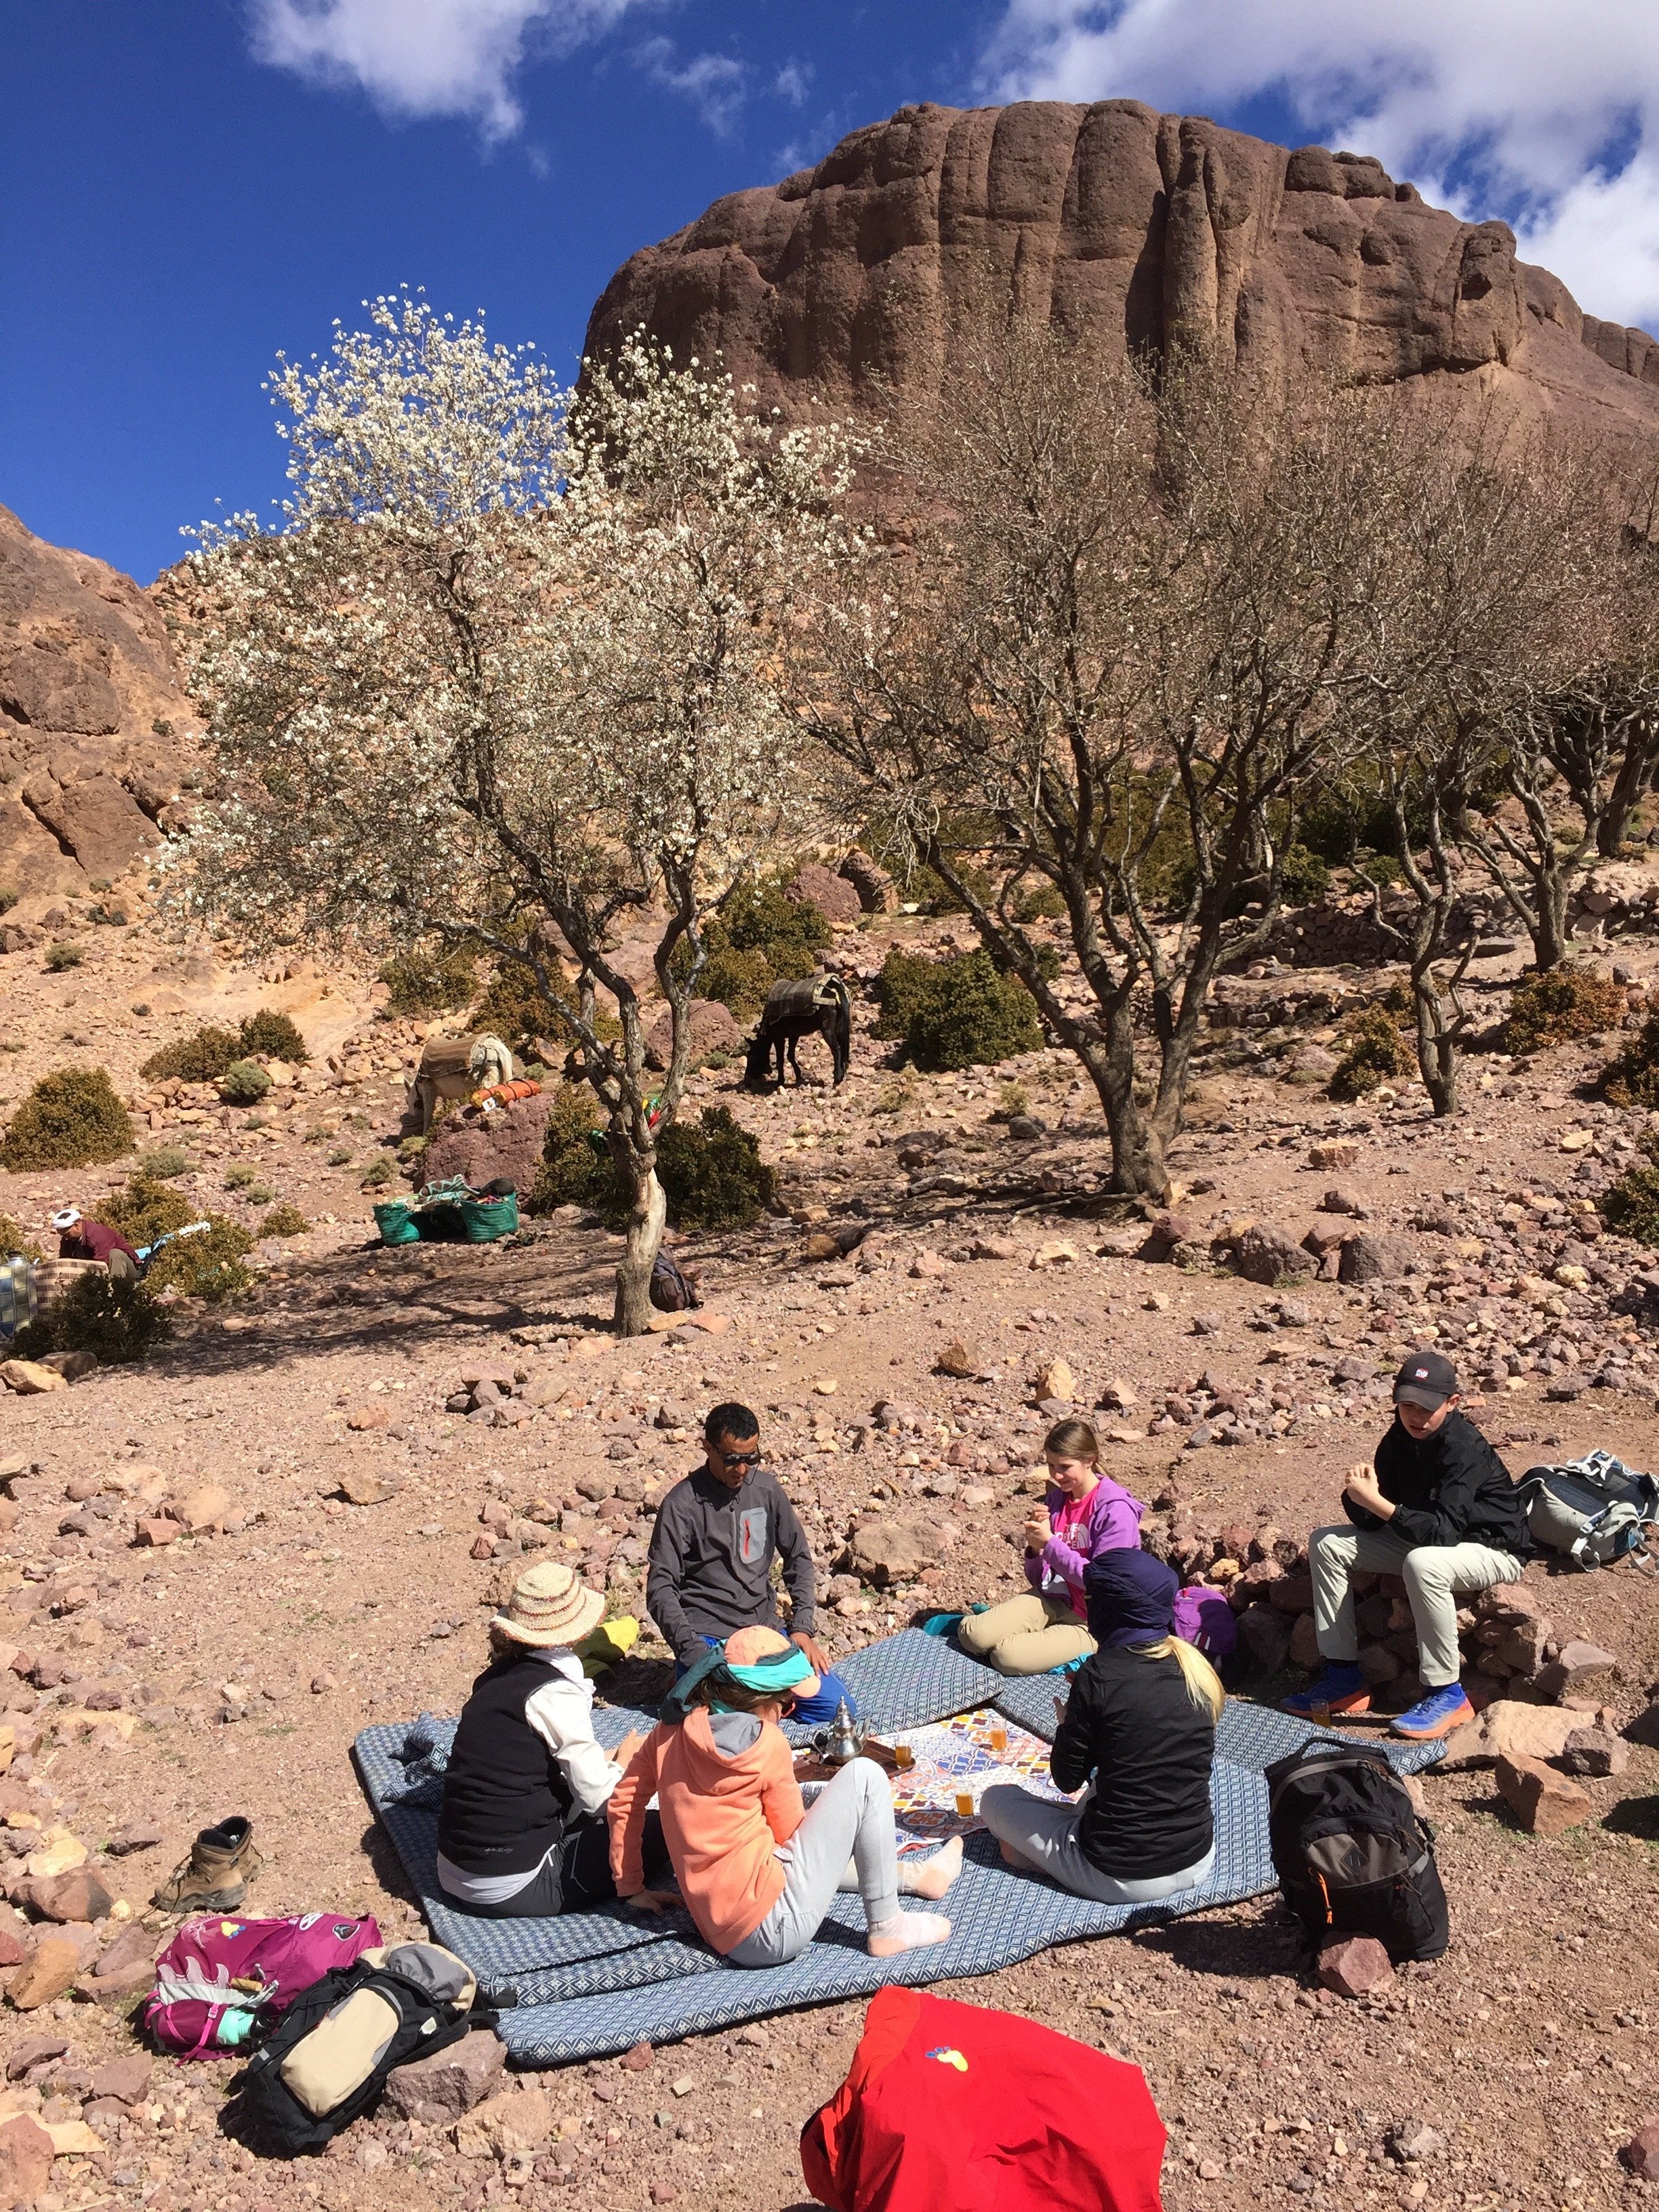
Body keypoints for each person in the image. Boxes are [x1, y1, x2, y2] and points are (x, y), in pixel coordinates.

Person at [608, 1626, 958, 1965]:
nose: (786, 1713)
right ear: (764, 1702)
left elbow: (625, 1800)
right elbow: (792, 1838)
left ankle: (915, 1876)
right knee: (865, 1778)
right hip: (774, 1930)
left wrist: (631, 1885)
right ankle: (887, 1926)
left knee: (817, 1797)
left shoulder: (666, 1732)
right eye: (786, 1704)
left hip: (717, 1927)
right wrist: (842, 1816)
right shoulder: (767, 1745)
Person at [1284, 1348, 1532, 1742]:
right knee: (1327, 1543)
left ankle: (1447, 1693)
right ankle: (1343, 1678)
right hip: (1429, 1544)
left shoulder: (1463, 1447)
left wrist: (1377, 1503)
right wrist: (1359, 1495)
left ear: (1452, 1403)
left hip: (1492, 1549)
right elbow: (1380, 1517)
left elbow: (1446, 1532)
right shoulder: (1400, 1438)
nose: (1416, 1416)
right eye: (1407, 1406)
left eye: (1427, 1407)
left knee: (1424, 1564)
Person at [979, 1549, 1220, 1905]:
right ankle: (1046, 1851)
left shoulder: (1100, 1675)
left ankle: (1053, 1861)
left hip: (1124, 1875)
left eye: (1091, 1599)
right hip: (1198, 1859)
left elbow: (1067, 1779)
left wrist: (1068, 1725)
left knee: (995, 1800)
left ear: (1111, 1606)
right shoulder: (1193, 1667)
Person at [436, 1561, 667, 1918]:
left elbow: (530, 1766)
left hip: (454, 1871)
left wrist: (612, 1763)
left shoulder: (494, 1680)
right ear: (576, 1632)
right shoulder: (555, 1692)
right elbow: (601, 1801)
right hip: (512, 1885)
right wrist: (636, 1774)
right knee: (668, 1824)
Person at [646, 1401, 854, 1727]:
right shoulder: (681, 1505)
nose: (741, 1469)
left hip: (764, 1631)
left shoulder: (767, 1491)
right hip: (711, 1640)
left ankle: (763, 1702)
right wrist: (694, 1652)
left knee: (836, 1709)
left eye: (750, 1458)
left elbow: (798, 1556)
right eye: (731, 1459)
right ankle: (712, 1691)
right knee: (715, 1727)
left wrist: (801, 1628)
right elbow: (660, 1589)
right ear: (708, 1448)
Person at [957, 1420, 1143, 1675]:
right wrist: (1034, 1550)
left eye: (1065, 1467)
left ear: (1090, 1460)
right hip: (1056, 1597)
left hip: (1094, 1620)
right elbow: (1038, 1578)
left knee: (1006, 1657)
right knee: (973, 1635)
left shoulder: (1116, 1511)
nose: (1056, 1475)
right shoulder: (1057, 1500)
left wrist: (1050, 1544)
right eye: (1051, 1465)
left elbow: (1103, 1583)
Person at [51, 1206, 140, 1282]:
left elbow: (102, 1266)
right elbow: (65, 1262)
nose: (65, 1238)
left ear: (77, 1226)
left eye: (67, 1234)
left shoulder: (97, 1235)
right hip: (97, 1272)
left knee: (115, 1254)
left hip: (129, 1271)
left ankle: (117, 1294)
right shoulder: (67, 1240)